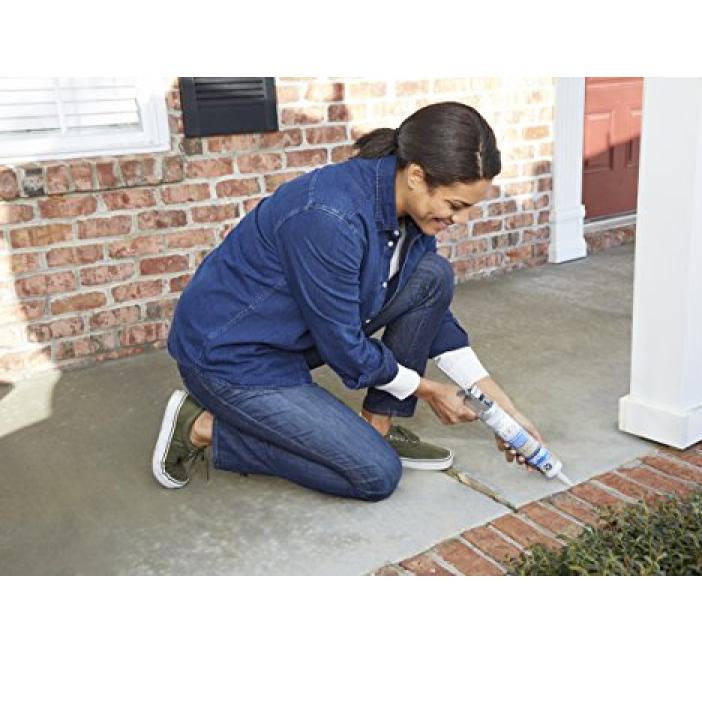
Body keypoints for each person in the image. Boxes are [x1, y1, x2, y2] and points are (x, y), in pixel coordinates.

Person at [152, 101, 543, 501]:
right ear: (416, 175)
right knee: (374, 474)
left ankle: (376, 428)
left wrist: (505, 411)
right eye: (455, 206)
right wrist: (427, 390)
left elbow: (433, 314)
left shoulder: (409, 211)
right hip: (232, 358)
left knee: (433, 275)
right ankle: (201, 427)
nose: (460, 219)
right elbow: (345, 350)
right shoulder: (330, 217)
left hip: (290, 340)